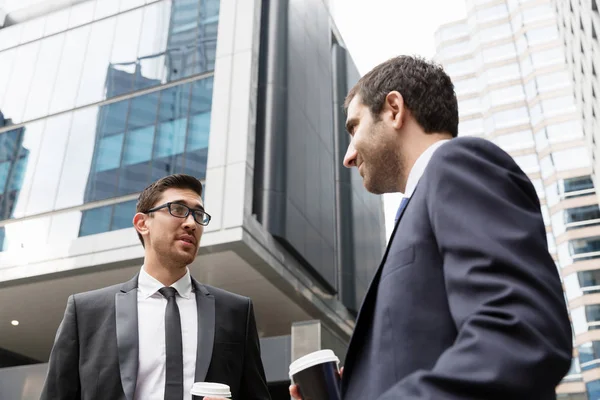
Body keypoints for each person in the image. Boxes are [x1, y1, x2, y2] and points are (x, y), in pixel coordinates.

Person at [291, 55, 573, 399]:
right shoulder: (423, 202)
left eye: (354, 127)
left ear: (394, 108)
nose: (349, 156)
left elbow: (521, 334)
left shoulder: (458, 164)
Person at [42, 174, 271, 400]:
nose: (191, 223)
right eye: (178, 209)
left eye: (198, 214)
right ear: (143, 223)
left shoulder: (236, 311)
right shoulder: (86, 311)